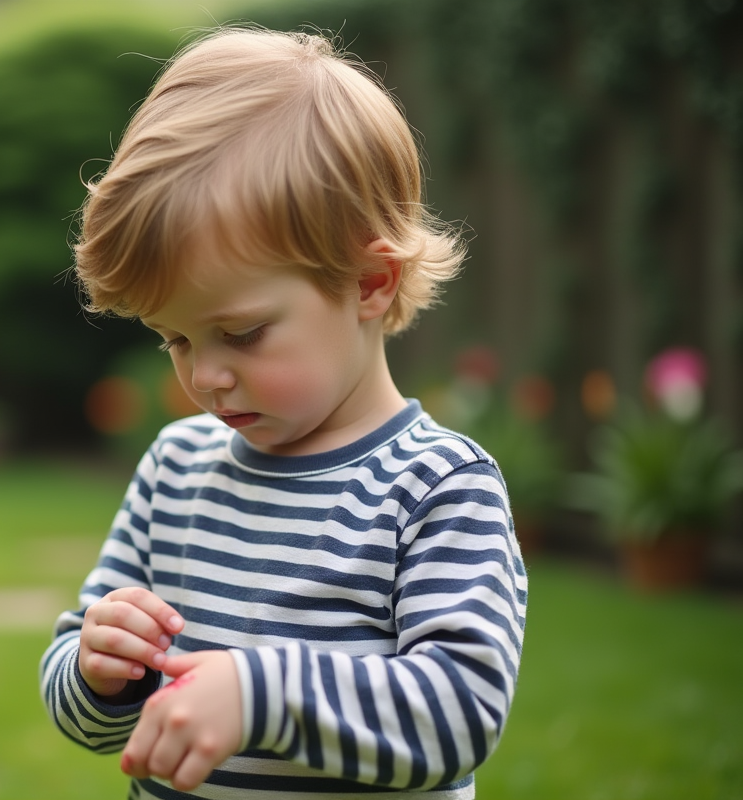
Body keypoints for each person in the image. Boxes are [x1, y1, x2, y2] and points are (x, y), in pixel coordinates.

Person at [40, 26, 527, 800]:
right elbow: (85, 713)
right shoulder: (175, 470)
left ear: (369, 282)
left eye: (240, 334)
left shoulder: (438, 488)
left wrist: (259, 696)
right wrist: (99, 670)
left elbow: (461, 713)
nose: (204, 376)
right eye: (175, 338)